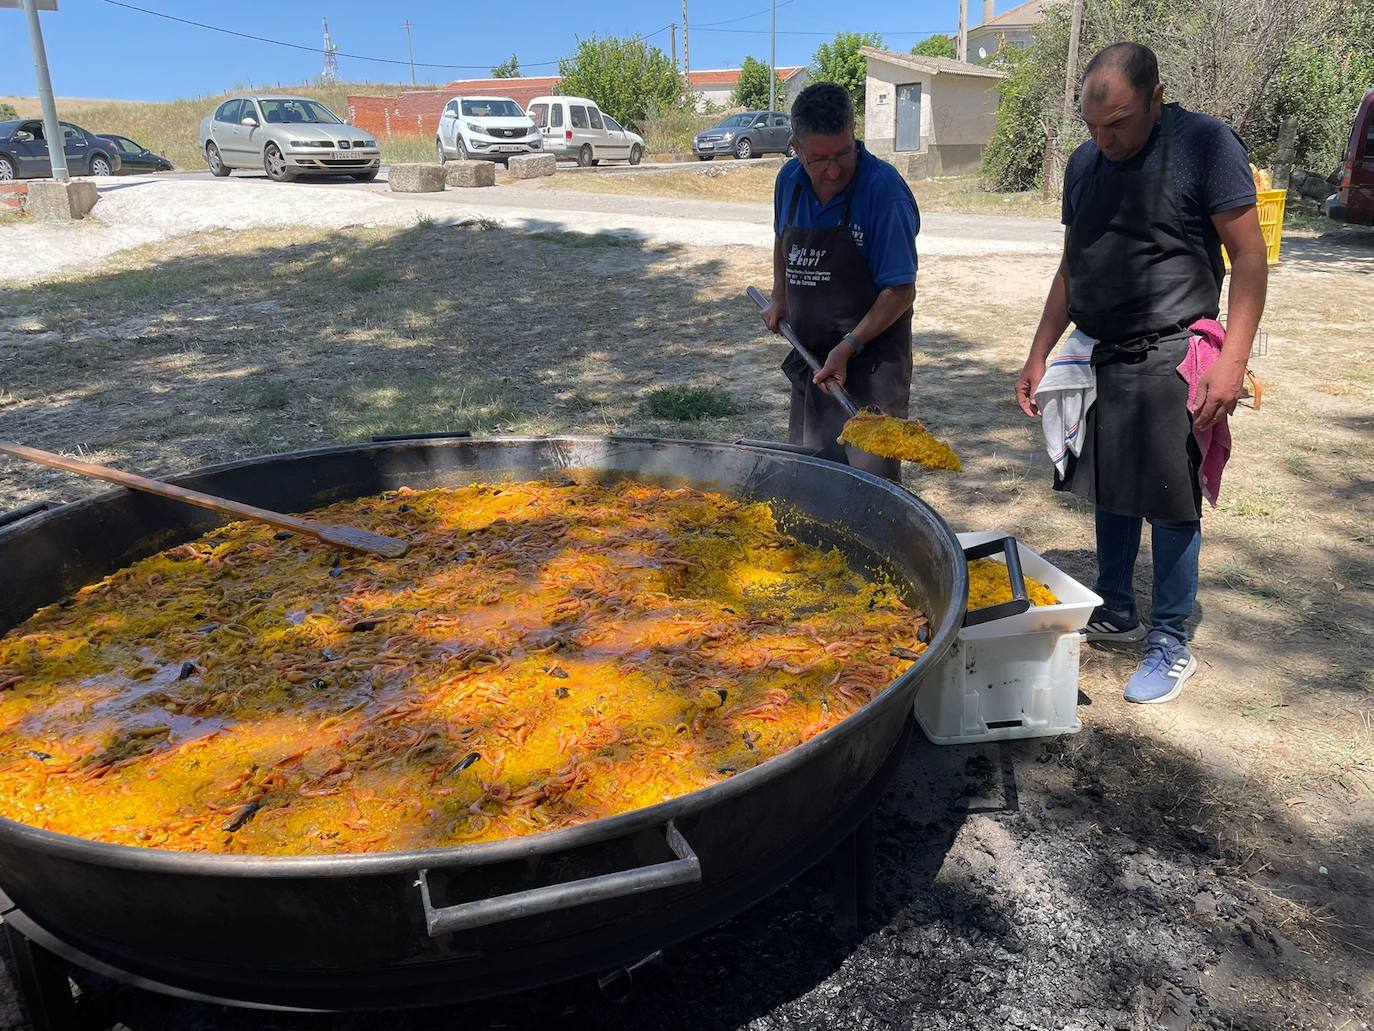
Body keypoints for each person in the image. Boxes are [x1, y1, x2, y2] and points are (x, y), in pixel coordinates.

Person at [1014, 42, 1268, 704]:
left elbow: (1248, 256)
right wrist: (1041, 348)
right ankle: (1119, 605)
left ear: (1157, 97)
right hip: (1103, 346)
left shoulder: (1203, 146)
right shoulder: (1083, 165)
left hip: (1175, 348)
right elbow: (1073, 265)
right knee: (1112, 484)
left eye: (1119, 124)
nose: (1106, 139)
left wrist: (1233, 362)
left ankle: (1170, 639)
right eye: (1093, 127)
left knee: (1171, 499)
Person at [759, 82, 920, 482]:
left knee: (870, 490)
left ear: (854, 135)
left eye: (842, 154)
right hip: (812, 362)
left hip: (871, 369)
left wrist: (849, 347)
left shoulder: (884, 192)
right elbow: (782, 240)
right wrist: (779, 297)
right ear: (795, 146)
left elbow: (900, 290)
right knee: (810, 480)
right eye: (818, 159)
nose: (833, 171)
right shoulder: (788, 182)